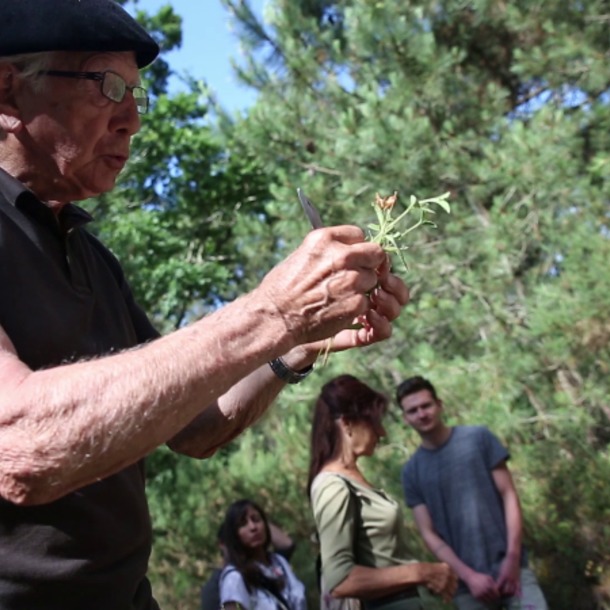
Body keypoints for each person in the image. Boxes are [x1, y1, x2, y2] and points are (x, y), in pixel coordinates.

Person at [0, 1, 410, 608]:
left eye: (139, 96)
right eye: (107, 85)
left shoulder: (90, 257)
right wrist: (272, 311)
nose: (133, 120)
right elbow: (22, 446)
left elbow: (196, 425)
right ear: (8, 90)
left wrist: (299, 341)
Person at [397, 376, 548, 610]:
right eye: (413, 410)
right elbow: (428, 534)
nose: (422, 414)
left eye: (426, 406)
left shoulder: (478, 438)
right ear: (405, 418)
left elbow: (509, 496)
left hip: (514, 572)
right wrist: (468, 576)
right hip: (469, 590)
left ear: (439, 404)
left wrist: (513, 558)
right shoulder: (411, 472)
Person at [308, 374, 458, 610]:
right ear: (347, 423)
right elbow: (340, 580)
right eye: (373, 421)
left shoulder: (351, 478)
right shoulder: (332, 486)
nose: (382, 432)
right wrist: (421, 572)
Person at [218, 499, 307, 610]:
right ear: (235, 535)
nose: (253, 527)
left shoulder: (279, 562)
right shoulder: (234, 578)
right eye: (243, 524)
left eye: (256, 520)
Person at [200, 519, 295, 610]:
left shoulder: (261, 569)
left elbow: (286, 545)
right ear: (222, 544)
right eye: (232, 541)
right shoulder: (215, 586)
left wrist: (254, 518)